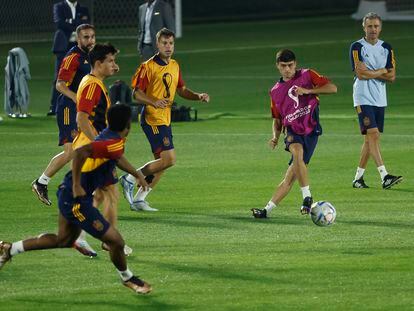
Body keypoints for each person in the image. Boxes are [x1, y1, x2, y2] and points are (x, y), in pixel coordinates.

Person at [0, 104, 152, 295]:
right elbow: (80, 153)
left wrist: (136, 173)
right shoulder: (109, 141)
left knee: (63, 240)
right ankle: (127, 277)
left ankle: (10, 249)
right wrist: (77, 185)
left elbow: (117, 156)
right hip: (75, 200)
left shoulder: (112, 137)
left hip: (69, 194)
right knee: (116, 241)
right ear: (127, 126)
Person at [120, 28, 210, 212]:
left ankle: (139, 200)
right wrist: (154, 101)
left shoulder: (175, 65)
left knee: (160, 164)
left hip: (165, 118)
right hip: (152, 119)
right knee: (168, 159)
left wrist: (198, 96)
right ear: (157, 44)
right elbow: (136, 93)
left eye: (171, 43)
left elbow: (182, 90)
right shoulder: (148, 66)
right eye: (164, 43)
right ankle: (129, 178)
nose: (168, 47)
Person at [251, 49, 337, 219]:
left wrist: (308, 91)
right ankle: (307, 197)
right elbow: (277, 119)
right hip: (292, 131)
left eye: (290, 65)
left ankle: (266, 211)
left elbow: (333, 88)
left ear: (295, 64)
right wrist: (275, 137)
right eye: (283, 66)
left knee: (290, 178)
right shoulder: (275, 91)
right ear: (277, 66)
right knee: (297, 152)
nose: (287, 69)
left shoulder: (307, 75)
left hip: (311, 131)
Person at [350, 12, 402, 190]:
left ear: (380, 28)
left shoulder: (386, 47)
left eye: (376, 26)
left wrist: (373, 72)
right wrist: (382, 71)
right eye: (369, 26)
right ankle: (384, 176)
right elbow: (360, 74)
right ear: (363, 27)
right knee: (374, 135)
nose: (373, 29)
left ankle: (358, 179)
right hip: (362, 97)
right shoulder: (357, 47)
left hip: (380, 98)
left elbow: (392, 76)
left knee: (369, 140)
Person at [48, 0, 90, 116]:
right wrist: (78, 23)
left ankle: (79, 104)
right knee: (59, 76)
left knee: (80, 75)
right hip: (63, 46)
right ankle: (54, 107)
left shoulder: (83, 8)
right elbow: (59, 24)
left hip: (78, 47)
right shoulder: (58, 7)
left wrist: (70, 22)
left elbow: (86, 25)